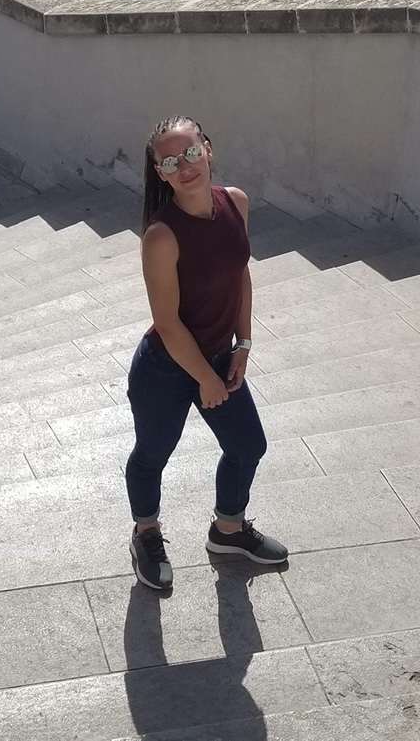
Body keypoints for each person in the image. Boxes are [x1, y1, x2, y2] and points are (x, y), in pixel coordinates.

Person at [126, 115, 288, 591]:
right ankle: (145, 533)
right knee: (153, 454)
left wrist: (243, 345)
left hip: (219, 356)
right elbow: (168, 322)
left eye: (192, 152)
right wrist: (206, 379)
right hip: (165, 368)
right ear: (160, 173)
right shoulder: (161, 236)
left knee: (248, 446)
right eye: (170, 162)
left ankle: (228, 531)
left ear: (209, 149)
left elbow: (240, 273)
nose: (185, 167)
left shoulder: (235, 202)